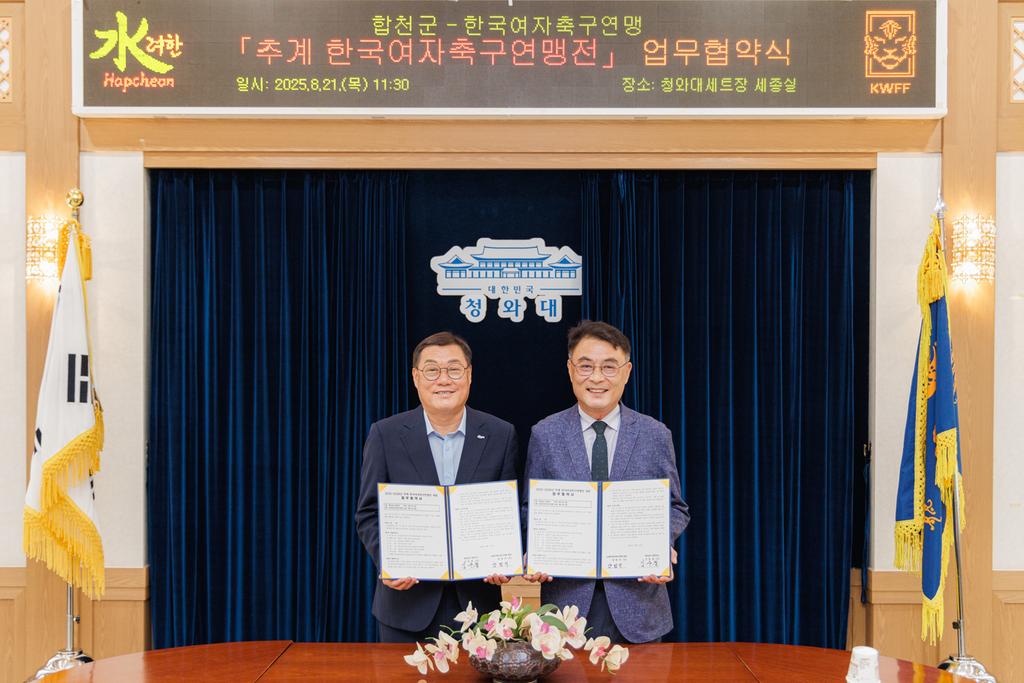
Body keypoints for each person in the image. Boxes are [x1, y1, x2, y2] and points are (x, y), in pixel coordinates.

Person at [524, 320, 689, 644]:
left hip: (639, 606)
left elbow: (675, 506)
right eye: (586, 366)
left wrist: (660, 543)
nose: (597, 377)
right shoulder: (545, 434)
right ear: (570, 370)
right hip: (565, 609)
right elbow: (531, 507)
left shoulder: (655, 434)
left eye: (609, 367)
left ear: (627, 372)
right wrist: (537, 548)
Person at [355, 331, 519, 643]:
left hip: (478, 609)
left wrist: (503, 560)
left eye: (454, 369)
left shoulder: (500, 434)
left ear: (469, 375)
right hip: (405, 609)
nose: (443, 379)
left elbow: (508, 512)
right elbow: (368, 512)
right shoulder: (385, 435)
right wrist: (389, 560)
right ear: (416, 377)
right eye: (432, 370)